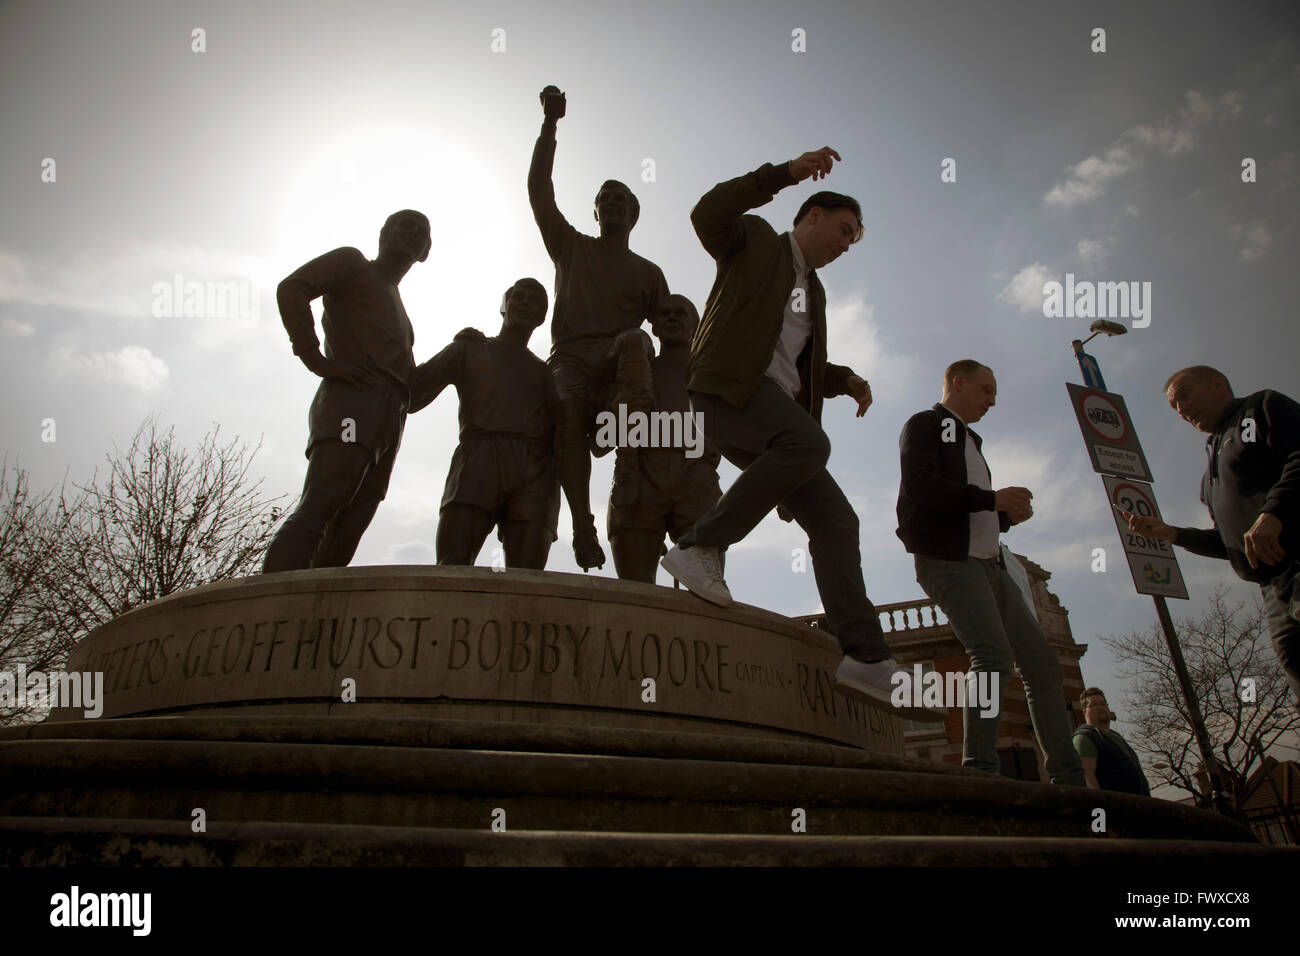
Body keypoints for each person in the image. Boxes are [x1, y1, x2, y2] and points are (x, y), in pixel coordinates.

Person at [660, 146, 927, 714]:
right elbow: (706, 213)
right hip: (726, 387)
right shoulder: (754, 241)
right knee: (809, 442)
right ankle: (700, 545)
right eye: (843, 229)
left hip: (770, 413)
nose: (844, 244)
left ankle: (866, 658)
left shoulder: (817, 293)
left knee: (837, 519)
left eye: (853, 240)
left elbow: (797, 364)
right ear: (812, 215)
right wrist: (781, 175)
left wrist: (845, 378)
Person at [896, 360, 1087, 784]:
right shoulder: (925, 424)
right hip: (949, 562)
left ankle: (1068, 777)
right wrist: (992, 498)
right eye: (986, 390)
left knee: (1042, 666)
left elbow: (975, 510)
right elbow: (920, 487)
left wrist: (1009, 515)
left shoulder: (971, 440)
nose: (992, 401)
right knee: (992, 655)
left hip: (992, 565)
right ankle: (980, 768)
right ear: (957, 383)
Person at [529, 85, 670, 571]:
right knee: (566, 406)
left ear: (633, 213)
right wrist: (550, 125)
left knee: (637, 342)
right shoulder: (572, 246)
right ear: (595, 212)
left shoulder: (648, 273)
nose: (611, 202)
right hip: (570, 361)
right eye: (603, 198)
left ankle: (632, 470)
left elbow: (672, 332)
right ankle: (583, 525)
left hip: (619, 370)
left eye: (620, 198)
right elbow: (539, 192)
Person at [1122, 366, 1300, 711]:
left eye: (1185, 395)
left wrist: (1273, 514)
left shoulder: (1261, 408)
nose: (1181, 409)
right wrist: (1171, 533)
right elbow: (1229, 542)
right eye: (1174, 406)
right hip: (1272, 589)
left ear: (1218, 385)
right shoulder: (1209, 479)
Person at [263, 209, 431, 572]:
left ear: (426, 251)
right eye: (405, 224)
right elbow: (292, 288)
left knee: (351, 523)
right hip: (350, 406)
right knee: (323, 502)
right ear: (383, 233)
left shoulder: (404, 318)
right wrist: (314, 357)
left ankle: (316, 613)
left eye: (421, 231)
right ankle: (273, 599)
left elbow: (413, 391)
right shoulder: (353, 263)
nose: (413, 232)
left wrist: (458, 353)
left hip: (389, 421)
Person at [411, 278, 561, 570]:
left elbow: (569, 439)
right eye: (519, 296)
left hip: (536, 471)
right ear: (503, 305)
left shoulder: (546, 375)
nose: (526, 302)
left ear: (542, 318)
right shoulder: (469, 349)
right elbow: (414, 391)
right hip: (479, 458)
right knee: (452, 567)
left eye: (535, 301)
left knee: (527, 580)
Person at [603, 294, 722, 582]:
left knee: (706, 591)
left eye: (679, 313)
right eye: (664, 313)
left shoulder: (715, 374)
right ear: (653, 327)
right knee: (635, 590)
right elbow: (600, 439)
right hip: (640, 474)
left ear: (695, 326)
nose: (671, 317)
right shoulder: (633, 371)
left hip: (696, 474)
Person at [1073, 687, 1151, 795]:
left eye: (1103, 704)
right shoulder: (1085, 738)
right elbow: (1088, 779)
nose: (1100, 707)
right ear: (1084, 711)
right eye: (1094, 704)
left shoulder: (1116, 737)